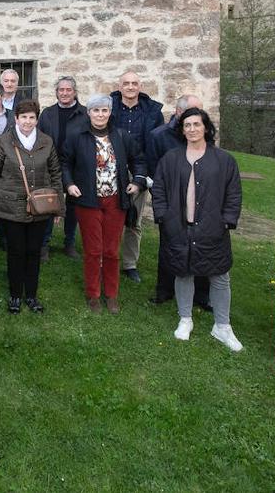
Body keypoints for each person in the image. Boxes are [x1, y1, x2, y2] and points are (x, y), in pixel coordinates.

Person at [152, 107, 244, 352]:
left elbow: (233, 194)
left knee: (219, 276)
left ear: (206, 127)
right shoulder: (171, 158)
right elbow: (158, 188)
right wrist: (163, 216)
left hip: (213, 228)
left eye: (196, 124)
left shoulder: (223, 160)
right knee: (183, 272)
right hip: (179, 226)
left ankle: (222, 326)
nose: (192, 129)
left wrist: (226, 221)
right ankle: (185, 319)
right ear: (182, 130)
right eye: (187, 125)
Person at [62, 95, 146, 314]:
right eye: (96, 110)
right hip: (88, 200)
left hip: (116, 201)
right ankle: (93, 294)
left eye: (104, 110)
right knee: (93, 250)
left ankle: (111, 294)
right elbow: (65, 163)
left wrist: (137, 181)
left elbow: (139, 159)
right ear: (88, 113)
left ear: (110, 113)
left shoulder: (121, 136)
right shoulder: (77, 136)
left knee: (111, 250)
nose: (100, 115)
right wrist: (69, 184)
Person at [0, 99, 61, 314]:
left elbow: (55, 173)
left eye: (32, 117)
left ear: (37, 119)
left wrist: (58, 209)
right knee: (16, 252)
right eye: (23, 117)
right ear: (16, 118)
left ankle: (32, 295)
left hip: (40, 207)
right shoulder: (4, 141)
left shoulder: (46, 142)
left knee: (34, 251)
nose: (27, 121)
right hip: (11, 207)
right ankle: (16, 295)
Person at [146, 95, 210, 308]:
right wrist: (162, 206)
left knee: (200, 247)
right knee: (169, 247)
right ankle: (164, 290)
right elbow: (153, 172)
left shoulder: (203, 133)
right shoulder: (159, 137)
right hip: (172, 203)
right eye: (193, 112)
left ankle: (201, 295)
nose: (198, 118)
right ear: (179, 112)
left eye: (200, 113)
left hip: (199, 202)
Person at [110, 71, 164, 284]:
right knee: (111, 217)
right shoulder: (110, 106)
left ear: (139, 86)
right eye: (126, 83)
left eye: (134, 83)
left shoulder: (152, 112)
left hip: (141, 170)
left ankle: (130, 264)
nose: (130, 87)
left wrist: (151, 174)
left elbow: (158, 141)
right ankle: (109, 258)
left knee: (134, 219)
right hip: (112, 169)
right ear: (120, 86)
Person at [38, 76, 84, 261]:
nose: (64, 93)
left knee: (73, 206)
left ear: (74, 92)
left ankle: (69, 243)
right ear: (56, 92)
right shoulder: (47, 113)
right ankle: (44, 244)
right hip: (51, 166)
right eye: (61, 90)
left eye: (68, 90)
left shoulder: (84, 114)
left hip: (76, 167)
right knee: (48, 204)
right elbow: (40, 138)